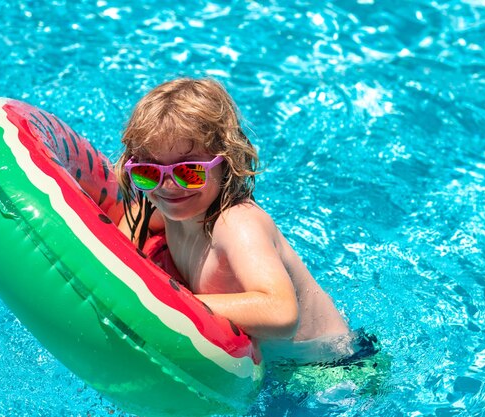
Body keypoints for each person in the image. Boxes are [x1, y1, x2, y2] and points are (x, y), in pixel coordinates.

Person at [114, 77, 352, 363]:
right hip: (272, 369)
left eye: (189, 171)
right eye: (148, 172)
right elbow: (127, 233)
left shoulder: (237, 225)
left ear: (226, 163)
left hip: (332, 370)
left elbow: (282, 313)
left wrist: (166, 299)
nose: (167, 185)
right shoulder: (163, 208)